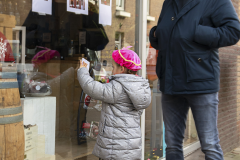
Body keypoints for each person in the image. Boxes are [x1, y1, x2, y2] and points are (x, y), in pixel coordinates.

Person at [149, 0, 240, 159]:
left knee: (210, 144)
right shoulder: (169, 3)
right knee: (172, 144)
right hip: (170, 83)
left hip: (201, 82)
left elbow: (233, 32)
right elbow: (167, 33)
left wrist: (196, 31)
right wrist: (156, 34)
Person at [77, 46, 151, 160]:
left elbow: (91, 87)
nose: (111, 70)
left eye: (113, 67)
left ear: (121, 69)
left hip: (115, 147)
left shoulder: (118, 87)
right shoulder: (139, 86)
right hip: (131, 145)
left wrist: (83, 70)